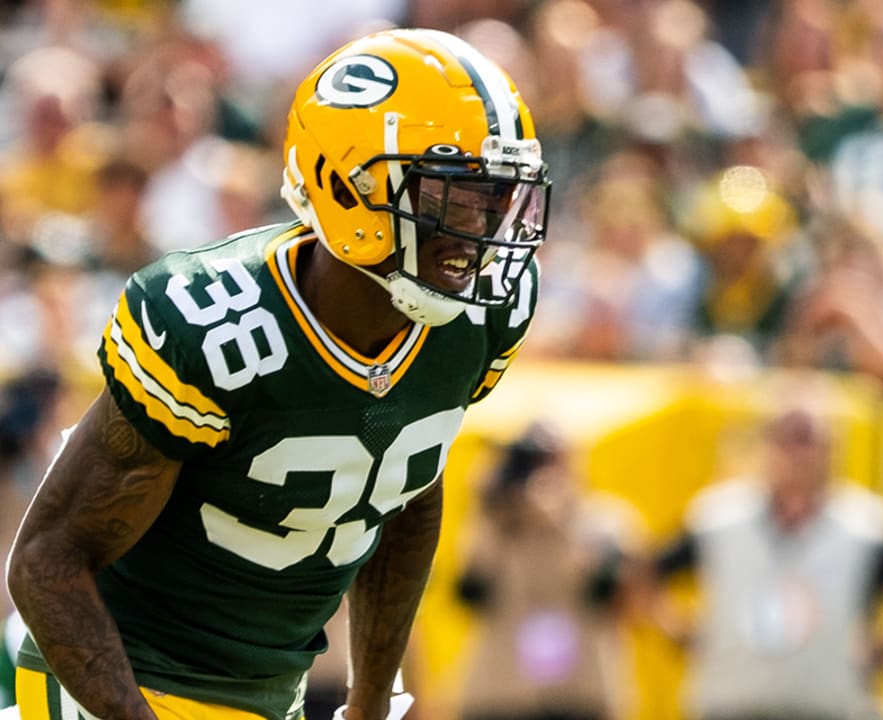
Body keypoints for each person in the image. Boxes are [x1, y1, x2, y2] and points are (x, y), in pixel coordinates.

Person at [4, 27, 550, 720]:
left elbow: (406, 486)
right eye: (459, 194)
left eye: (502, 194)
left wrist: (372, 701)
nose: (490, 223)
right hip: (115, 681)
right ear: (346, 185)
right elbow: (47, 562)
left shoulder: (482, 315)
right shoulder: (215, 326)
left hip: (269, 697)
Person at [650, 404, 883, 720]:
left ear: (832, 450)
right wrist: (682, 634)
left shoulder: (862, 526)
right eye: (786, 439)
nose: (797, 454)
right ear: (766, 444)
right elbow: (641, 576)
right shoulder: (718, 518)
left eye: (806, 440)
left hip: (825, 705)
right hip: (729, 703)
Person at [454, 422, 639, 720]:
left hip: (581, 690)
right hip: (501, 689)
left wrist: (562, 524)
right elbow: (468, 596)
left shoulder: (605, 521)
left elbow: (610, 597)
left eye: (547, 459)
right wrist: (489, 512)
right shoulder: (496, 521)